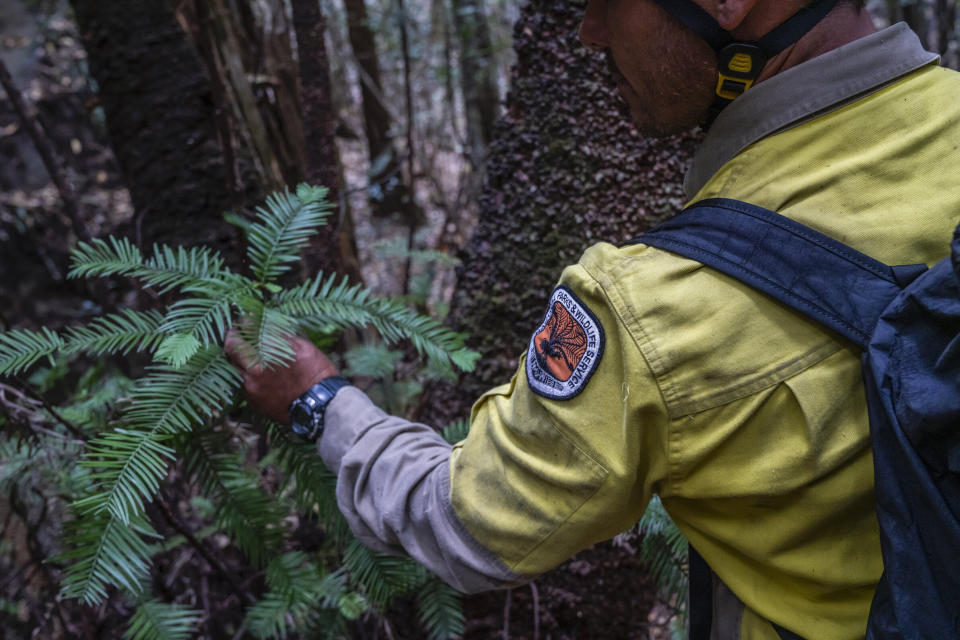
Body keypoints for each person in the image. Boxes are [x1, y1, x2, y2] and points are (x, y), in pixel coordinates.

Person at [226, 1, 960, 638]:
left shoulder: (652, 310)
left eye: (606, 0)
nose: (588, 33)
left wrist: (319, 403)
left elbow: (470, 522)